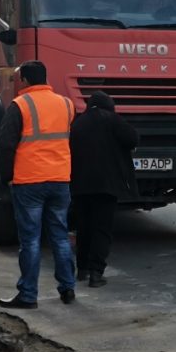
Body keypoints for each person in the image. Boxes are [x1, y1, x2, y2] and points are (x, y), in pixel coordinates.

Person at [0, 61, 77, 308]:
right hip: (60, 179)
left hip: (29, 181)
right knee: (60, 236)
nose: (17, 82)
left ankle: (28, 295)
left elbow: (5, 144)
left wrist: (6, 176)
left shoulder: (20, 105)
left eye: (19, 79)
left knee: (30, 240)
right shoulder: (67, 104)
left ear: (26, 81)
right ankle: (68, 289)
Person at [68, 91, 138, 288]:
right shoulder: (113, 120)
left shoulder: (78, 123)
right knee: (102, 229)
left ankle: (81, 269)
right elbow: (133, 139)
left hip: (80, 185)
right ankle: (96, 273)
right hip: (106, 186)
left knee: (84, 227)